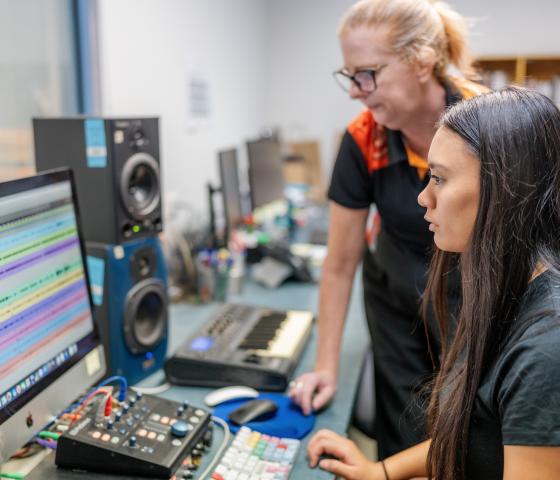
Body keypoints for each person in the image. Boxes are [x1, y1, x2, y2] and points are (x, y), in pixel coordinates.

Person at [307, 86, 560, 480]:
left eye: (439, 179)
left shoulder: (546, 352)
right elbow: (476, 434)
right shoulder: (508, 292)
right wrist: (381, 472)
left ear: (506, 189)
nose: (423, 198)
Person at [289, 0, 486, 458]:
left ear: (421, 61)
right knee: (406, 425)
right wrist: (325, 366)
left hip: (476, 292)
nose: (356, 91)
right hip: (396, 295)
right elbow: (339, 264)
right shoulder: (364, 139)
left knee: (474, 424)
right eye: (350, 76)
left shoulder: (487, 126)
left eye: (367, 74)